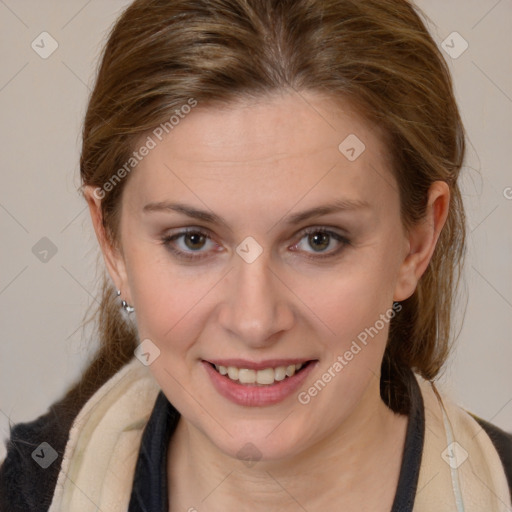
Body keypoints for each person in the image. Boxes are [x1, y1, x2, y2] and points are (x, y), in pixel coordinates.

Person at [1, 0, 511, 510]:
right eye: (193, 240)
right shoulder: (28, 490)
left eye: (319, 240)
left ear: (416, 244)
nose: (254, 321)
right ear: (112, 244)